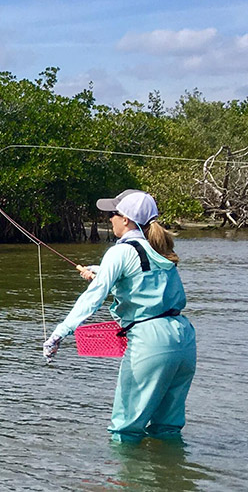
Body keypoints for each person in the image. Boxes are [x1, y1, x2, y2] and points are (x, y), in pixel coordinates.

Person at [43, 189, 197, 443]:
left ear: (125, 219)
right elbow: (146, 280)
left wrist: (60, 332)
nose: (109, 219)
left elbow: (93, 299)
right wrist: (102, 273)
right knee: (167, 427)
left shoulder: (120, 251)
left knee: (125, 430)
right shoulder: (158, 249)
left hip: (151, 341)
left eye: (113, 214)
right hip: (183, 339)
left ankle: (124, 480)